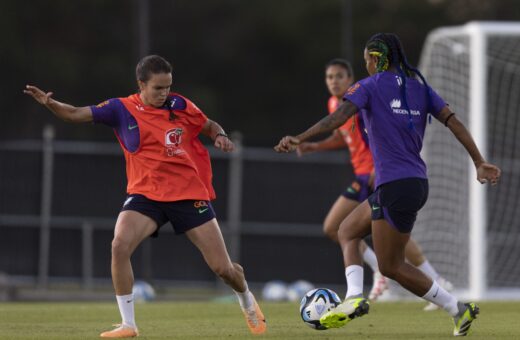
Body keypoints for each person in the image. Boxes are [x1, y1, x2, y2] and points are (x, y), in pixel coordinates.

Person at [24, 55, 266, 338]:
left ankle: (247, 299)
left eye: (168, 87)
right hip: (146, 194)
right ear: (141, 84)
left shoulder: (180, 105)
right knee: (119, 245)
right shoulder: (121, 108)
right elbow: (75, 113)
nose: (165, 94)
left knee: (223, 269)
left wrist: (220, 135)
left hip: (187, 193)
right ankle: (128, 324)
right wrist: (51, 104)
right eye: (158, 88)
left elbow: (208, 124)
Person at [275, 34, 500, 336]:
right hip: (414, 183)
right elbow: (454, 122)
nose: (365, 64)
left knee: (391, 265)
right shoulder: (420, 88)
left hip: (395, 185)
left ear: (376, 59)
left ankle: (447, 307)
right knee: (347, 230)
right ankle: (444, 308)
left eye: (367, 58)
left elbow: (339, 117)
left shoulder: (369, 86)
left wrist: (300, 137)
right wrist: (479, 161)